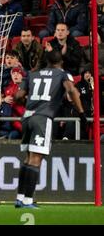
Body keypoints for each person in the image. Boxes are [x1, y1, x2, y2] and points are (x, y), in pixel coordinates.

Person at [13, 50, 86, 208]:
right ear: (61, 61)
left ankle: (19, 198)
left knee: (27, 158)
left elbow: (18, 96)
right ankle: (28, 200)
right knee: (36, 159)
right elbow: (72, 91)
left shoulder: (32, 74)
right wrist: (81, 113)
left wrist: (28, 103)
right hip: (42, 118)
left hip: (27, 118)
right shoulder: (62, 74)